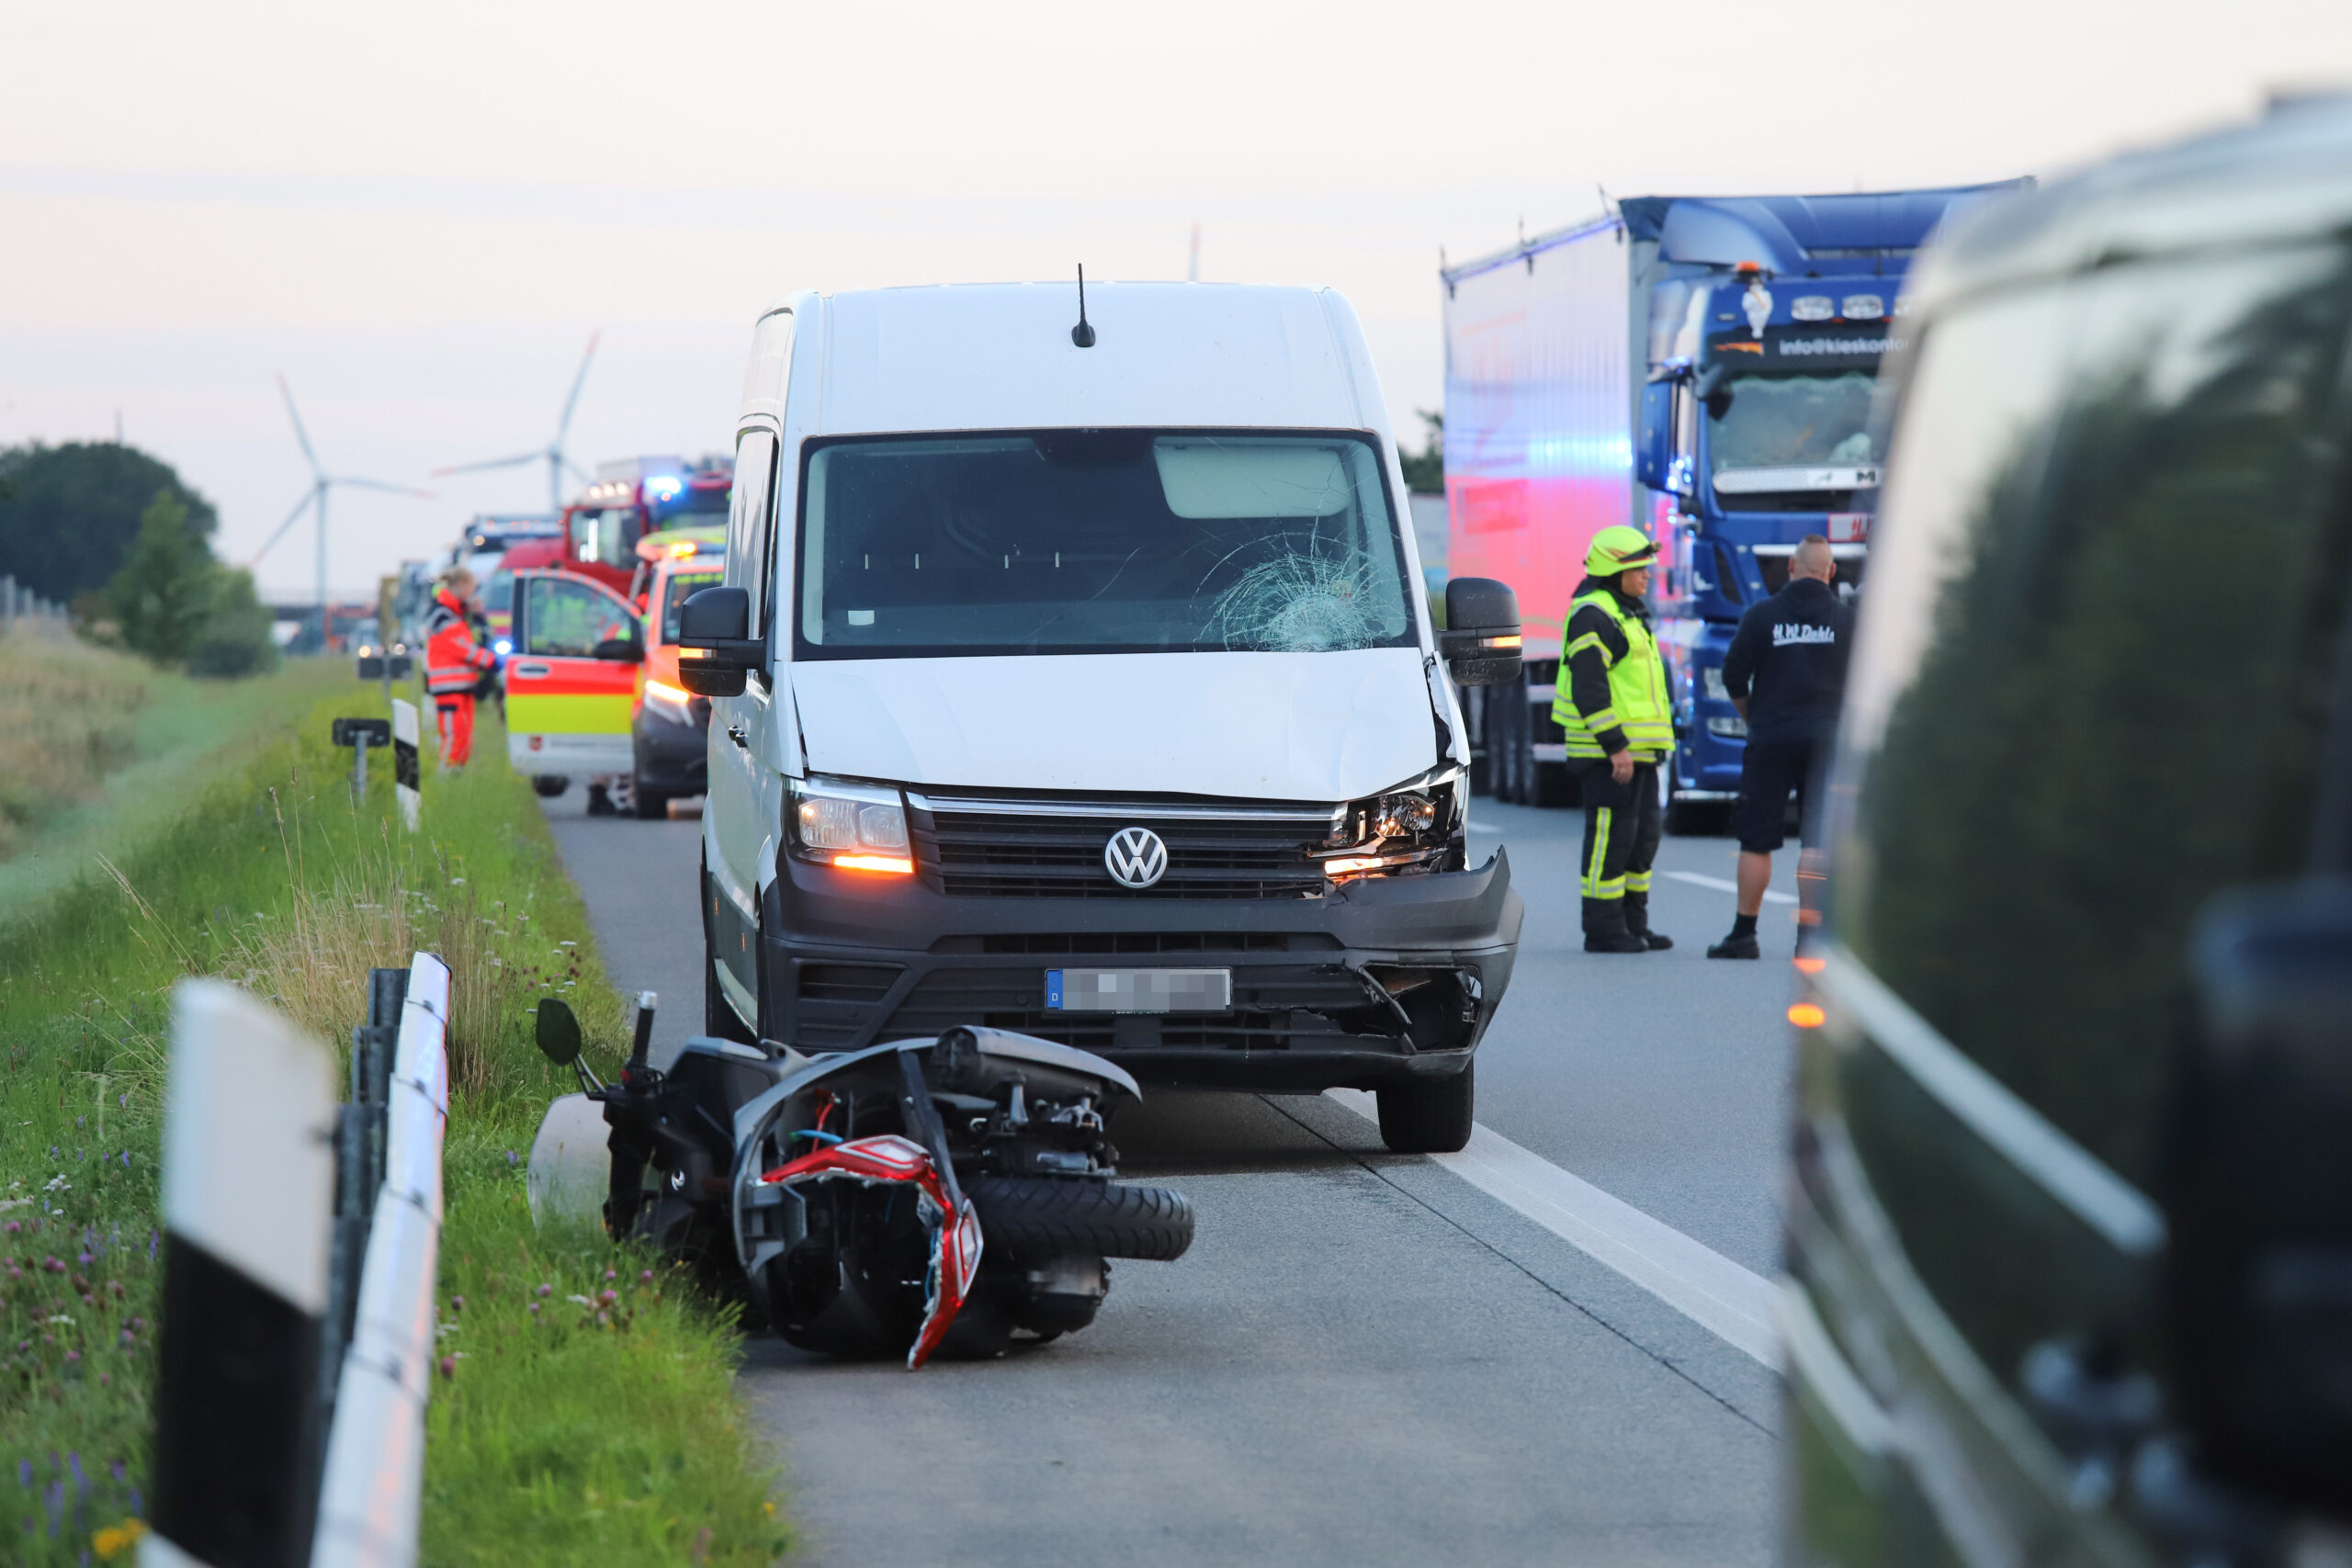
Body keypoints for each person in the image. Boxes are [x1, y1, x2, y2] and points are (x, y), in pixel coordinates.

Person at [1707, 535, 1854, 959]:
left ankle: (1743, 934)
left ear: (1792, 568)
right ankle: (1809, 940)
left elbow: (1733, 676)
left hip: (1770, 738)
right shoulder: (1847, 620)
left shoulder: (1761, 616)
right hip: (1826, 743)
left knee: (1756, 841)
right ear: (1829, 572)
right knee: (1817, 843)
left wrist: (1755, 717)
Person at [1553, 525, 1675, 953]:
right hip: (1609, 755)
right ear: (1612, 569)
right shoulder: (1593, 613)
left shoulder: (1627, 612)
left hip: (1637, 754)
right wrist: (1615, 746)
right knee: (1611, 839)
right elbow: (1590, 689)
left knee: (1642, 841)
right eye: (1639, 568)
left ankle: (1633, 925)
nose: (1646, 575)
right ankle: (1603, 930)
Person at [424, 568, 496, 773]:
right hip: (448, 688)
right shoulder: (442, 615)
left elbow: (478, 638)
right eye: (471, 588)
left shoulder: (457, 613)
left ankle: (453, 781)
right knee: (452, 738)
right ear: (461, 585)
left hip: (462, 686)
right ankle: (444, 781)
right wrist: (491, 661)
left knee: (464, 740)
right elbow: (461, 648)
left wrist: (479, 616)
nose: (473, 593)